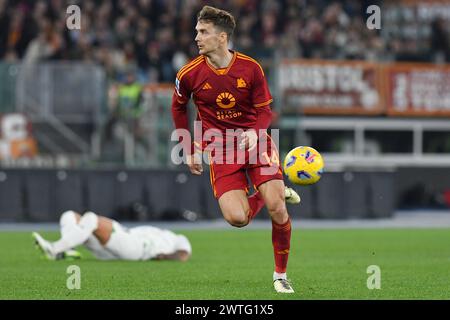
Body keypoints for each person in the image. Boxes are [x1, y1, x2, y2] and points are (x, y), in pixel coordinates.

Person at [171, 5, 300, 293]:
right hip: (220, 150)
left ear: (222, 37)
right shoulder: (189, 74)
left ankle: (280, 275)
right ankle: (268, 195)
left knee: (278, 209)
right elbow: (178, 107)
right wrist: (188, 146)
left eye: (203, 32)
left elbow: (266, 110)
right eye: (196, 32)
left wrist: (257, 134)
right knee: (237, 219)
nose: (197, 38)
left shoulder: (250, 68)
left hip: (257, 143)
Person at [32, 210, 192, 262]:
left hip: (139, 248)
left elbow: (183, 254)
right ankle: (68, 250)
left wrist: (163, 256)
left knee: (91, 218)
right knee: (69, 215)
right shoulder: (152, 229)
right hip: (125, 235)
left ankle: (54, 248)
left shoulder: (177, 237)